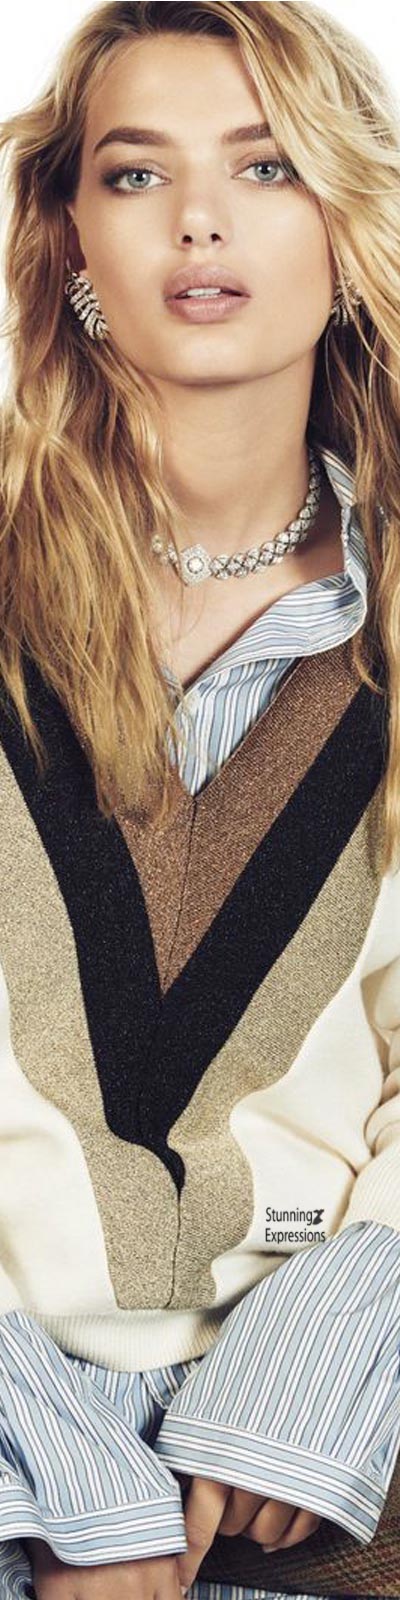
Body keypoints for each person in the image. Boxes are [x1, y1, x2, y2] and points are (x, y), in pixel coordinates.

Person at [0, 2, 399, 1598]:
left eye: (266, 165)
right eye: (136, 171)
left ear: (346, 226)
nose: (202, 221)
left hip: (327, 1438)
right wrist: (56, 1464)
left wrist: (331, 1351)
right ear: (70, 239)